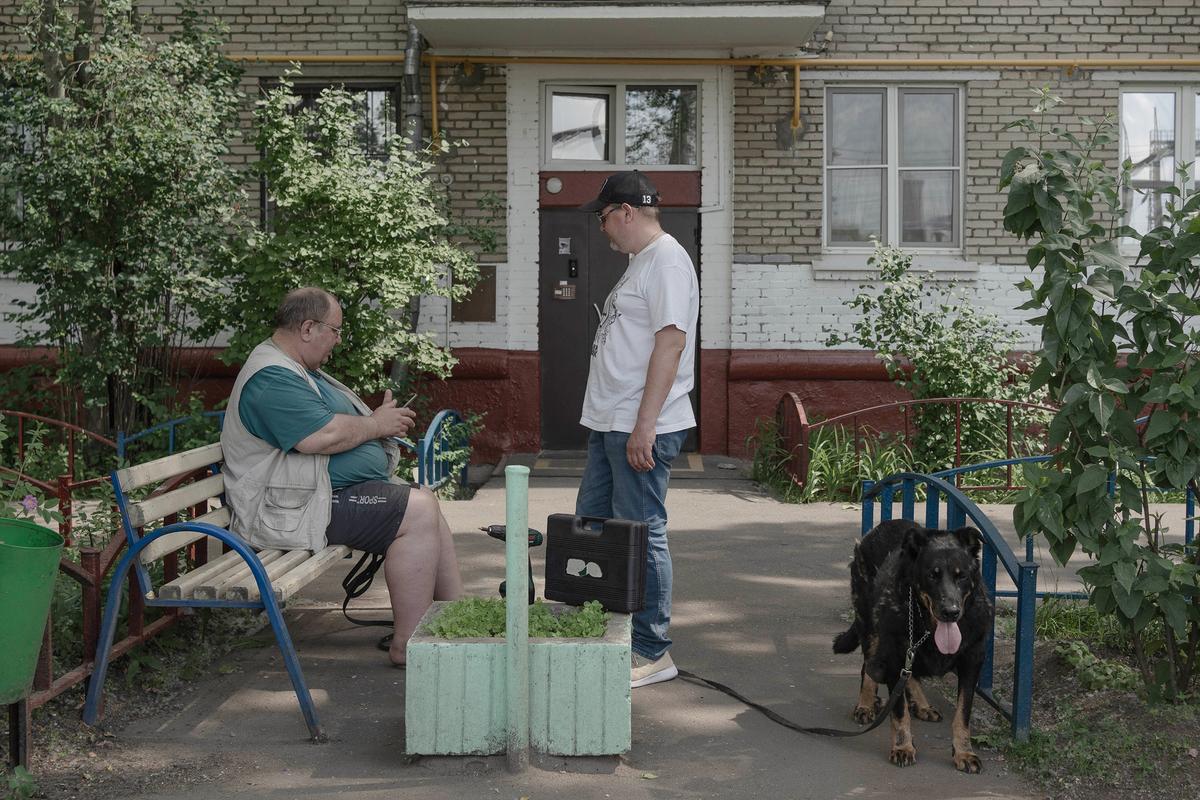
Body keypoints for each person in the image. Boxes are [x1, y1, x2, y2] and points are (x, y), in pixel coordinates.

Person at [220, 287, 462, 667]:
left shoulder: (296, 368)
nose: (337, 340)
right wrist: (375, 424)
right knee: (414, 511)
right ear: (307, 328)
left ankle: (455, 622)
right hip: (280, 510)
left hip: (305, 497)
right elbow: (320, 436)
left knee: (423, 500)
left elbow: (334, 427)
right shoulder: (272, 377)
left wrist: (374, 427)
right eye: (335, 331)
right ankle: (410, 645)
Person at [576, 171, 699, 688]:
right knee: (593, 525)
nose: (603, 230)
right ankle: (609, 627)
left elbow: (670, 345)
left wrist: (644, 426)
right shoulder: (639, 263)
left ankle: (651, 648)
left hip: (639, 425)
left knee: (641, 534)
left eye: (604, 218)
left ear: (626, 211)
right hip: (612, 423)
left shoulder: (667, 259)